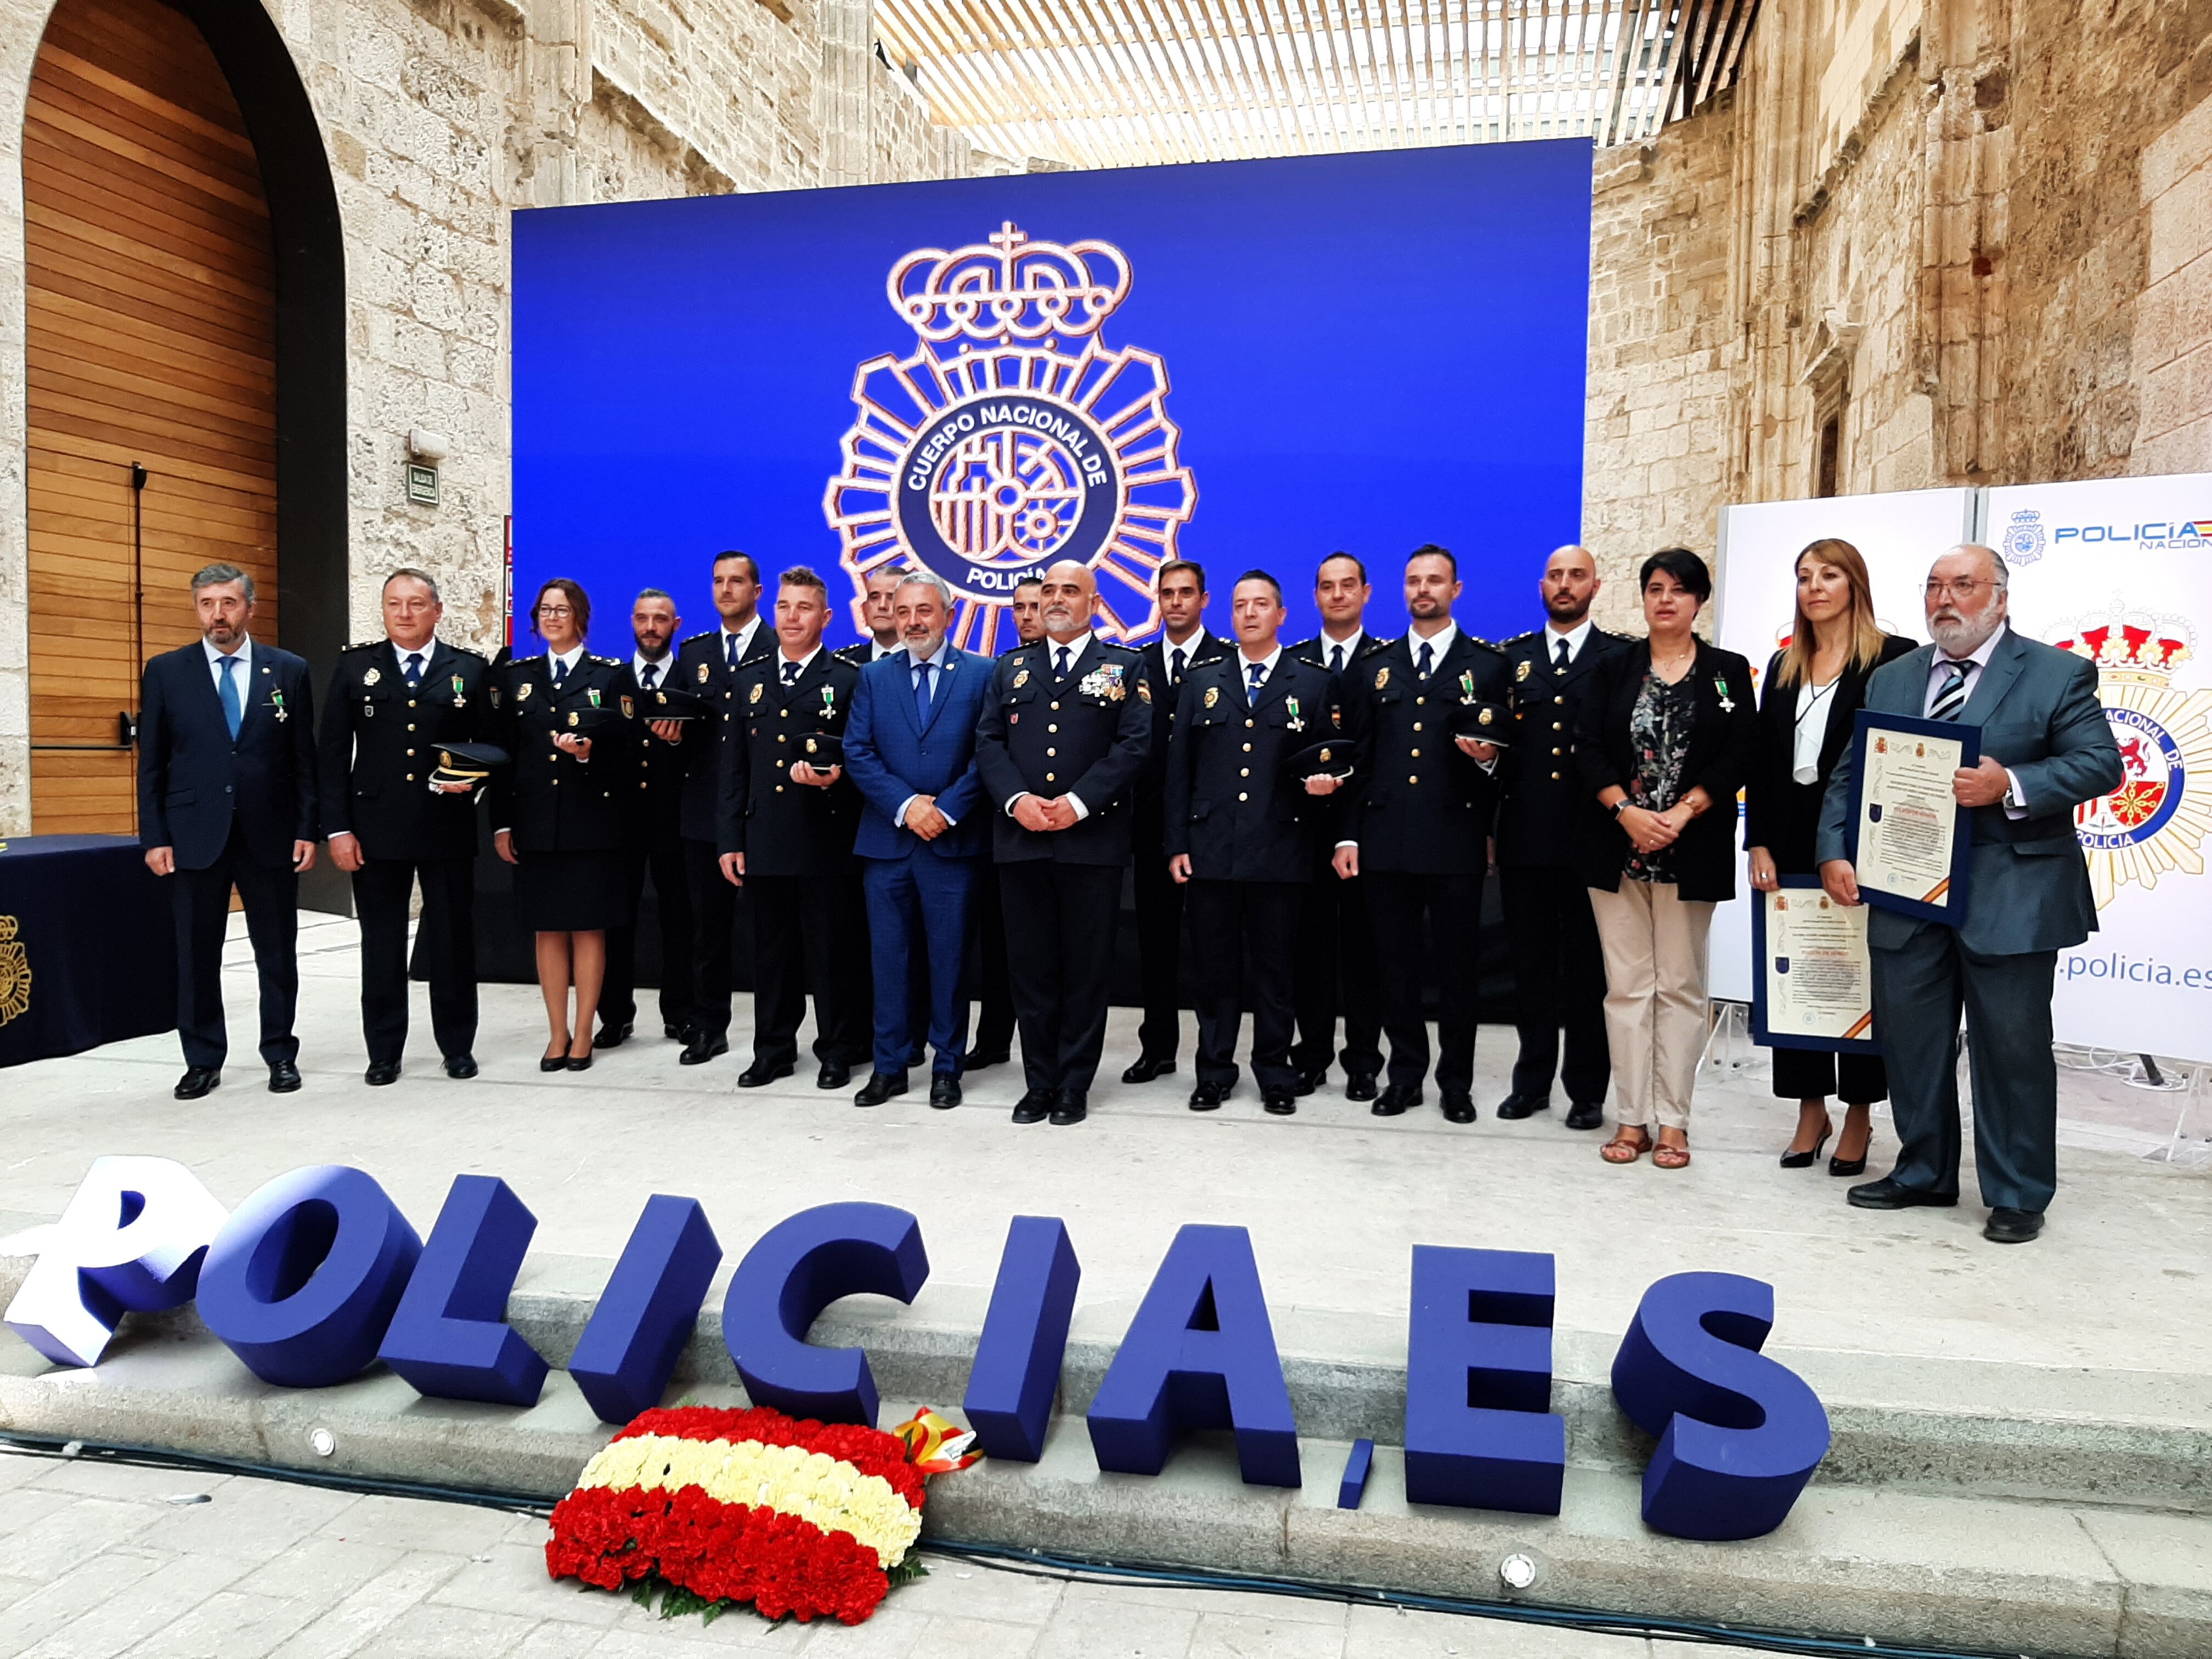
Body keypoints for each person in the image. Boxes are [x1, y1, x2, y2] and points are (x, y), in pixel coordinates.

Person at [1819, 544, 2122, 1244]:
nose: (1945, 599)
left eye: (1963, 585)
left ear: (2000, 598)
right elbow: (1850, 774)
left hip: (2012, 895)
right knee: (1913, 1042)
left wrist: (2010, 785)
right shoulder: (1893, 677)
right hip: (1904, 889)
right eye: (1933, 586)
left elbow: (2100, 763)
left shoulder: (2055, 672)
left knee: (2011, 1050)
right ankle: (1924, 1171)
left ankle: (2017, 1191)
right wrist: (1835, 849)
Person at [1575, 548, 1757, 1170]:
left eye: (1679, 590)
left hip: (1691, 847)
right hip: (1618, 847)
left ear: (1699, 600)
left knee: (1679, 987)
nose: (1665, 599)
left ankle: (1674, 1122)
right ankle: (1631, 1118)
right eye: (1655, 588)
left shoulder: (1729, 672)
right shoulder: (1612, 667)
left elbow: (1739, 755)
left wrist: (1682, 815)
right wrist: (1626, 811)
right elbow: (1587, 747)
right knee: (1627, 989)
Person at [1746, 539, 1916, 1173]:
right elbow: (1763, 766)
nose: (1814, 586)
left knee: (1859, 978)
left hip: (1859, 841)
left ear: (1855, 585)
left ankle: (1861, 1116)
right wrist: (1757, 839)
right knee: (1799, 974)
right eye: (1803, 577)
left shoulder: (1894, 660)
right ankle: (1809, 1108)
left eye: (1829, 575)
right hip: (1788, 841)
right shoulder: (1785, 663)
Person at [1332, 546, 1511, 1124]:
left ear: (1456, 589)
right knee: (1396, 968)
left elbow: (1509, 764)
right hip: (1387, 838)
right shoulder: (1375, 667)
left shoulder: (1486, 665)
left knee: (1459, 971)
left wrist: (1487, 763)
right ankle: (1405, 1075)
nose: (1423, 590)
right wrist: (1348, 836)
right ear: (1402, 590)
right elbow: (1359, 758)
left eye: (1434, 581)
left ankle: (1454, 1083)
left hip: (1455, 836)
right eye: (1413, 581)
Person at [975, 561, 1152, 1126]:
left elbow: (1133, 746)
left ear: (1093, 603)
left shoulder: (1124, 666)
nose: (1055, 599)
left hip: (1090, 843)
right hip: (1021, 839)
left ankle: (1073, 1085)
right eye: (1048, 590)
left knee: (1084, 970)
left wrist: (1076, 804)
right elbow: (988, 743)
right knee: (1031, 970)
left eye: (1069, 590)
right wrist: (1017, 801)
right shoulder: (1012, 669)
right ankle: (1038, 1083)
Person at [137, 563, 319, 1099]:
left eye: (229, 603)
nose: (218, 614)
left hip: (270, 833)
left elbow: (303, 760)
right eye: (208, 603)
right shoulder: (167, 672)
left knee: (277, 952)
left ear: (250, 608)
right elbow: (153, 763)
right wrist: (156, 836)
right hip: (194, 834)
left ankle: (280, 1053)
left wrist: (308, 826)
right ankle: (202, 1059)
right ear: (197, 608)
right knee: (196, 953)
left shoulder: (288, 670)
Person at [1165, 571, 1339, 1114]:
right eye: (1241, 605)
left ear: (1282, 615)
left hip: (1280, 850)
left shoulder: (1311, 682)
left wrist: (1327, 790)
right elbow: (1179, 772)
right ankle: (1214, 1070)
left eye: (1261, 604)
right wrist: (1177, 843)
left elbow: (1329, 764)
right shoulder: (1203, 680)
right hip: (1212, 848)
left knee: (1274, 971)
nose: (1249, 613)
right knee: (1213, 971)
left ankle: (1274, 1070)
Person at [316, 567, 492, 1086]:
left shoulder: (469, 669)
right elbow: (331, 756)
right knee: (382, 943)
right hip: (375, 828)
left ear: (437, 611)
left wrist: (474, 783)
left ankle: (457, 1046)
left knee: (453, 943)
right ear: (385, 610)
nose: (405, 614)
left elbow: (490, 745)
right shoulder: (355, 668)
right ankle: (384, 1051)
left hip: (447, 824)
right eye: (395, 604)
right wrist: (337, 829)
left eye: (417, 604)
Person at [1494, 545, 1633, 1131]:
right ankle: (1530, 1083)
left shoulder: (1620, 657)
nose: (1565, 584)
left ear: (1596, 586)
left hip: (1592, 838)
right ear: (1541, 586)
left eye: (1576, 575)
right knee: (1530, 969)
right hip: (1525, 837)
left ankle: (1586, 1089)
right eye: (1555, 575)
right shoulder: (1512, 660)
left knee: (1586, 972)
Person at [716, 567, 870, 1090]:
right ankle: (774, 1049)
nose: (792, 617)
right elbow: (734, 770)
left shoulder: (849, 679)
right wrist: (730, 841)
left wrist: (835, 782)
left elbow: (864, 764)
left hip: (827, 839)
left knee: (831, 953)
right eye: (784, 606)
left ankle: (837, 1049)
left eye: (804, 608)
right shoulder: (749, 679)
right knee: (771, 953)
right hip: (766, 840)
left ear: (825, 617)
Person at [842, 571, 992, 1107]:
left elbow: (987, 755)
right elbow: (857, 751)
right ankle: (890, 1067)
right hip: (888, 845)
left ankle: (948, 1068)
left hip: (953, 844)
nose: (912, 622)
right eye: (903, 611)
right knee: (888, 961)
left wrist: (945, 810)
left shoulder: (982, 674)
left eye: (923, 611)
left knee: (950, 963)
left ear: (948, 616)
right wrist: (908, 807)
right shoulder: (875, 677)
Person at [490, 578, 635, 1071]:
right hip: (535, 823)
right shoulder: (517, 678)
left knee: (588, 929)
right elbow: (505, 758)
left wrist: (591, 752)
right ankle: (557, 1034)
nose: (553, 618)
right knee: (547, 929)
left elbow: (631, 751)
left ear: (581, 617)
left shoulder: (610, 676)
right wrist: (501, 824)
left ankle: (584, 1035)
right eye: (545, 610)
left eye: (563, 609)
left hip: (591, 822)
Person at [1286, 552, 1390, 1100]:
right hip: (1306, 832)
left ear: (1366, 593)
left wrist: (1352, 828)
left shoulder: (1388, 662)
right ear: (1316, 596)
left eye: (1348, 586)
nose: (1338, 595)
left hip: (1368, 833)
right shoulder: (1297, 665)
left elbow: (1382, 758)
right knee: (1311, 951)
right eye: (1327, 587)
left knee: (1364, 952)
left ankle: (1365, 1060)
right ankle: (1312, 1054)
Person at [668, 552, 773, 1064]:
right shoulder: (695, 654)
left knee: (775, 933)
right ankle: (709, 1026)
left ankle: (776, 1037)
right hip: (706, 812)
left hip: (768, 812)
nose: (726, 589)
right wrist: (668, 735)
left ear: (757, 591)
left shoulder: (782, 646)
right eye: (718, 582)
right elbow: (683, 730)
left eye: (737, 581)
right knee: (708, 930)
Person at [1125, 560, 1224, 1084]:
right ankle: (1158, 1047)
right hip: (1150, 828)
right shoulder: (1137, 665)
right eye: (1168, 593)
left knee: (1212, 949)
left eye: (1187, 593)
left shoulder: (1227, 663)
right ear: (1158, 601)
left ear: (1204, 600)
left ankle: (1214, 1055)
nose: (1177, 602)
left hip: (1211, 828)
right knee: (1155, 946)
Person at [601, 588, 694, 1049]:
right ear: (632, 623)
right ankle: (615, 1015)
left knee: (679, 917)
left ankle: (679, 1012)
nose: (651, 627)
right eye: (643, 619)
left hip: (675, 819)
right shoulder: (612, 681)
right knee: (618, 917)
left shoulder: (691, 679)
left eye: (661, 619)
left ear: (675, 626)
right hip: (620, 820)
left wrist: (677, 743)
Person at [969, 575, 1047, 1069]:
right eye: (1018, 607)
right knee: (1000, 944)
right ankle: (995, 1039)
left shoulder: (1099, 668)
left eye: (1035, 606)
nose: (1025, 615)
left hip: (1068, 826)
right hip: (1006, 826)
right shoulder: (998, 671)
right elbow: (984, 746)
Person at [836, 565, 908, 666]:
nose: (882, 606)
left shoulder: (927, 661)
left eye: (892, 597)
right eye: (874, 597)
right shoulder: (842, 664)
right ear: (865, 607)